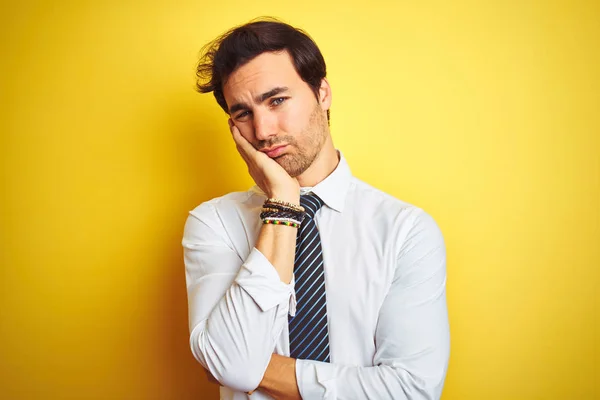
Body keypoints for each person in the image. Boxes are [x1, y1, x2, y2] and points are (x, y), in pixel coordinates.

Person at [182, 17, 450, 400]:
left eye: (277, 100)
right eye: (243, 113)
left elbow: (411, 390)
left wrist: (251, 366)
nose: (263, 131)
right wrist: (283, 207)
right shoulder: (214, 225)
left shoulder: (405, 231)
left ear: (322, 93)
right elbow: (232, 365)